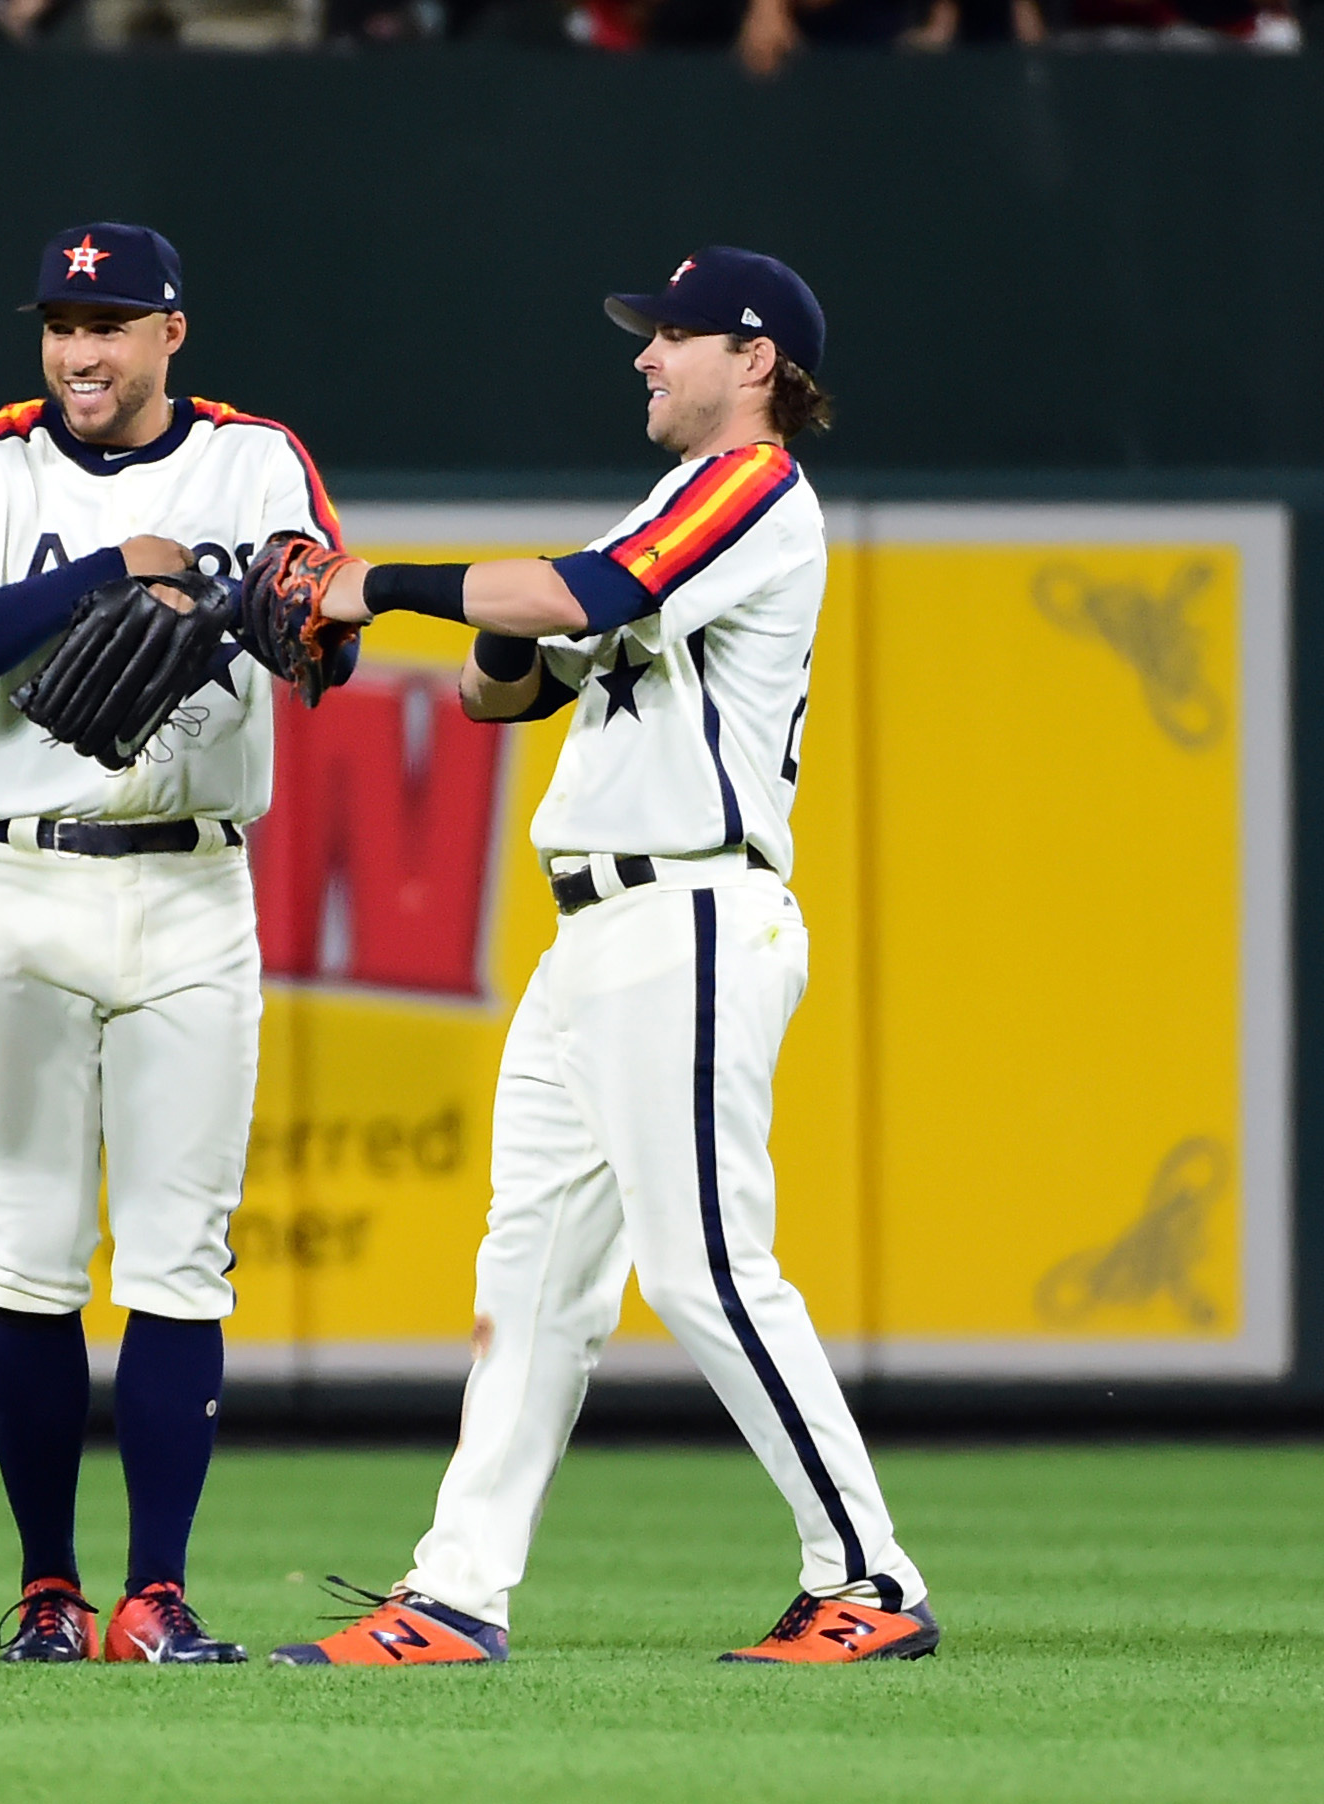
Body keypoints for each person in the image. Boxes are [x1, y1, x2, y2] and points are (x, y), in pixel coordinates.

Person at [270, 248, 937, 1668]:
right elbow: (496, 687)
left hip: (691, 915)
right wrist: (459, 618)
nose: (644, 356)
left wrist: (374, 580)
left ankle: (870, 1579)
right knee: (532, 1282)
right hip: (596, 938)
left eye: (675, 335)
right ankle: (455, 1593)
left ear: (756, 362)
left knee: (705, 1266)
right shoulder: (675, 500)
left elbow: (584, 596)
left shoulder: (752, 489)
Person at [0, 223, 342, 1665]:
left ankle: (156, 1592)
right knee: (28, 1252)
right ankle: (45, 1590)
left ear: (171, 336)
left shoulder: (260, 461)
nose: (81, 350)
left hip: (196, 888)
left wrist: (270, 617)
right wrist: (103, 579)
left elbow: (333, 646)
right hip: (20, 883)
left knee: (183, 1259)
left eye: (113, 322)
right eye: (63, 324)